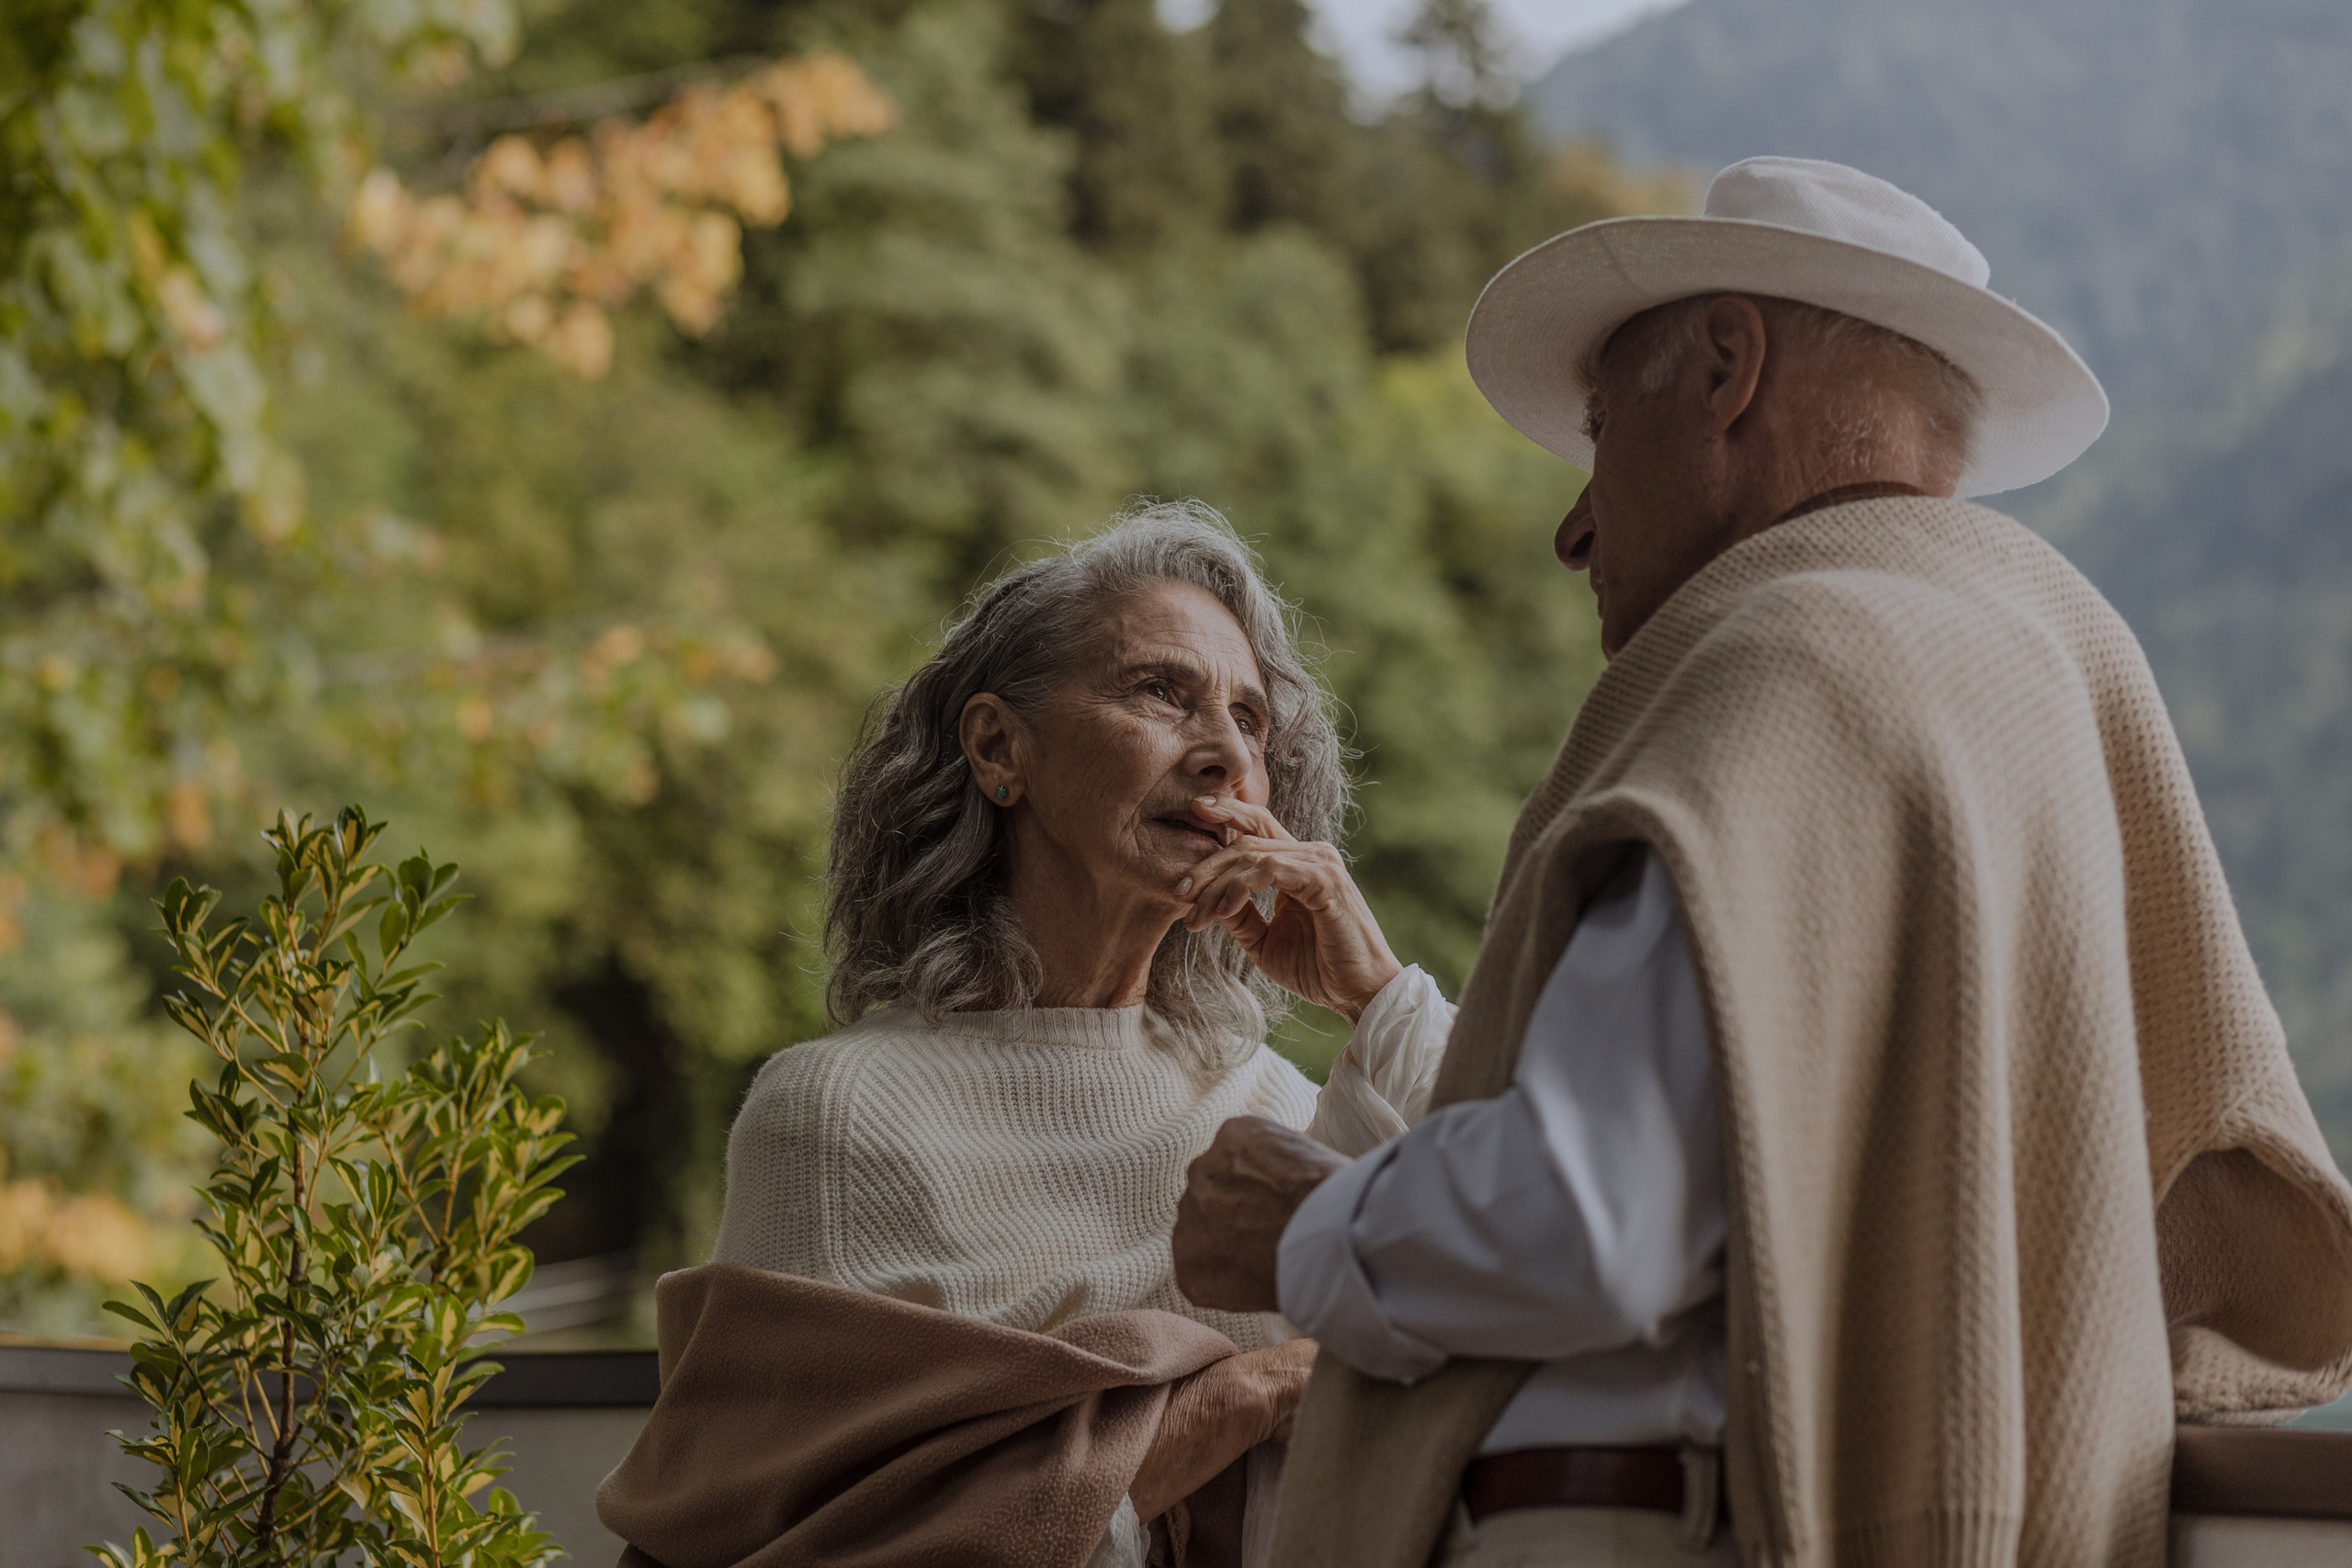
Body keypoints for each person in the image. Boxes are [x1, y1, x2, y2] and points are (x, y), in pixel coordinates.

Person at [1170, 156, 2352, 1568]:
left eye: (1603, 431)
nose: (1576, 524)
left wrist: (1309, 1224)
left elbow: (1597, 1216)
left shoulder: (1795, 663)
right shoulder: (2031, 669)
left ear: (1728, 366)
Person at [596, 502, 1453, 1568]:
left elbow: (1521, 1237)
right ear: (1001, 749)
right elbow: (829, 1541)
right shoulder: (835, 1118)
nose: (1226, 754)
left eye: (1249, 719)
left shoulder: (1266, 1105)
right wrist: (1245, 1393)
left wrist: (1371, 989)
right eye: (1161, 692)